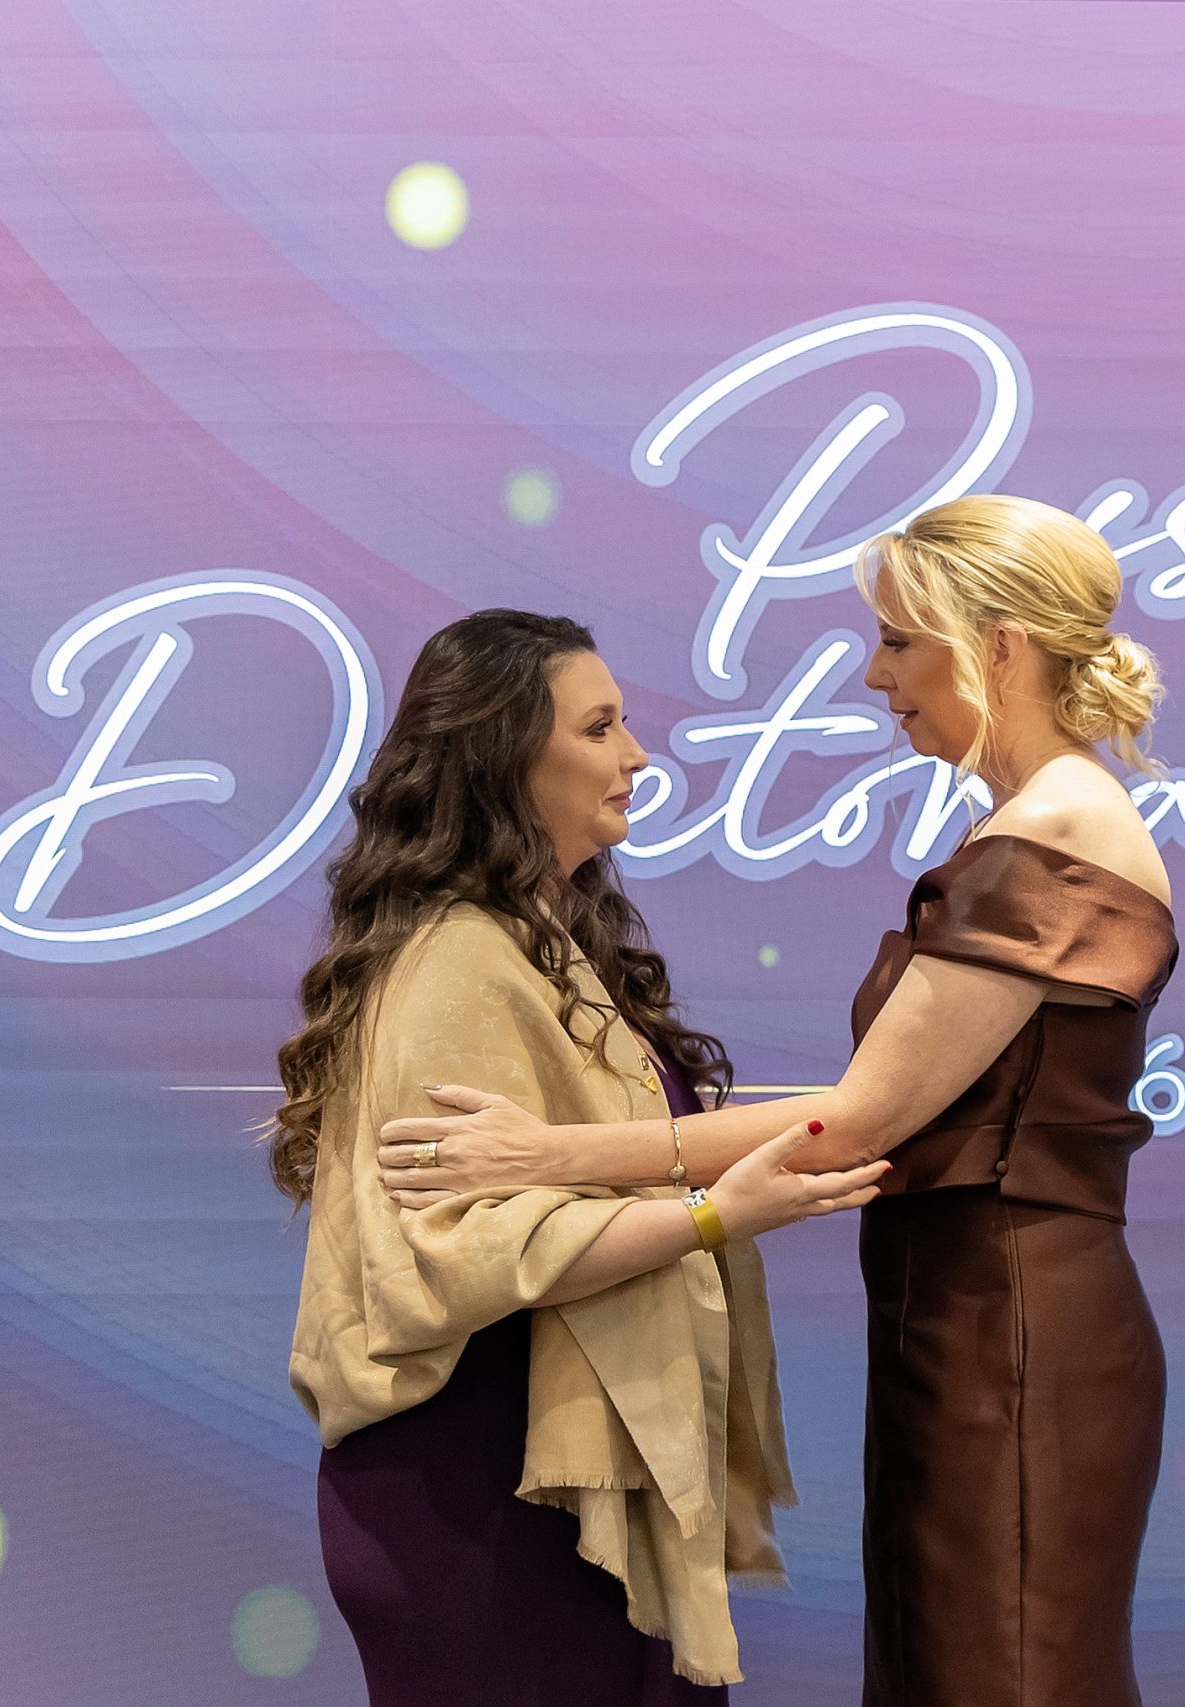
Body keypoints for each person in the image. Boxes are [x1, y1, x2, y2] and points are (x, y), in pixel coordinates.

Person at [376, 496, 1179, 1706]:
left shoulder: (1055, 832)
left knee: (1002, 1674)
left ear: (1000, 647)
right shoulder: (1029, 824)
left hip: (1014, 1328)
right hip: (966, 1317)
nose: (876, 674)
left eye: (899, 640)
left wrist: (543, 1153)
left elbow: (857, 1121)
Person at [277, 610, 889, 1704]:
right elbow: (461, 1253)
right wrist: (714, 1213)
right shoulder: (458, 960)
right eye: (599, 728)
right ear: (505, 755)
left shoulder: (545, 943)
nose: (637, 755)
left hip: (552, 1487)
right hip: (481, 1493)